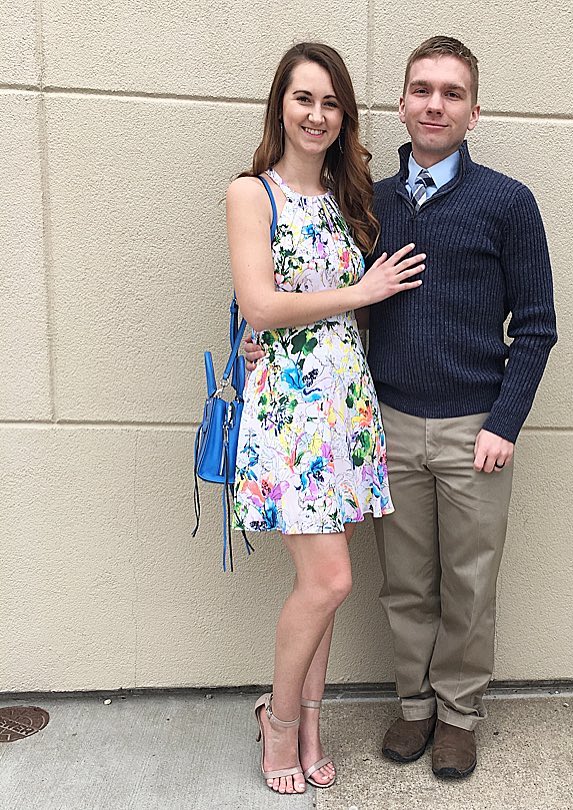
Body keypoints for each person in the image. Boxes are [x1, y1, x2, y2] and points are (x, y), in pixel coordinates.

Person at [245, 36, 556, 780]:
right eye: (422, 90)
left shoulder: (508, 203)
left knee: (470, 584)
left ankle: (458, 716)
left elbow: (537, 325)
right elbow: (314, 288)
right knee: (405, 583)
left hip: (473, 429)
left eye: (451, 93)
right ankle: (413, 707)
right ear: (401, 105)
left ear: (473, 112)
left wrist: (504, 424)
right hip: (383, 426)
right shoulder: (368, 201)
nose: (435, 104)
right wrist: (264, 345)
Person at [227, 42, 425, 795]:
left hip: (345, 409)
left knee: (327, 584)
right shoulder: (254, 194)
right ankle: (276, 721)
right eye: (304, 98)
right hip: (290, 413)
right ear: (281, 103)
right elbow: (262, 306)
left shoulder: (350, 197)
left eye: (330, 103)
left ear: (344, 117)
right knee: (330, 580)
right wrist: (360, 294)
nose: (316, 114)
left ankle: (310, 720)